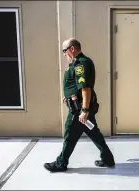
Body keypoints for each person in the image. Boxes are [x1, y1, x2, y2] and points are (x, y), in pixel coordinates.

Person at [44, 38, 115, 172]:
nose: (64, 54)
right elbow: (75, 86)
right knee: (94, 133)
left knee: (70, 135)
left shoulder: (80, 64)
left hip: (79, 111)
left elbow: (85, 88)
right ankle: (108, 159)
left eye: (64, 51)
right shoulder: (77, 63)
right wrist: (68, 97)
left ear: (72, 49)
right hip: (81, 108)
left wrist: (84, 110)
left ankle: (61, 163)